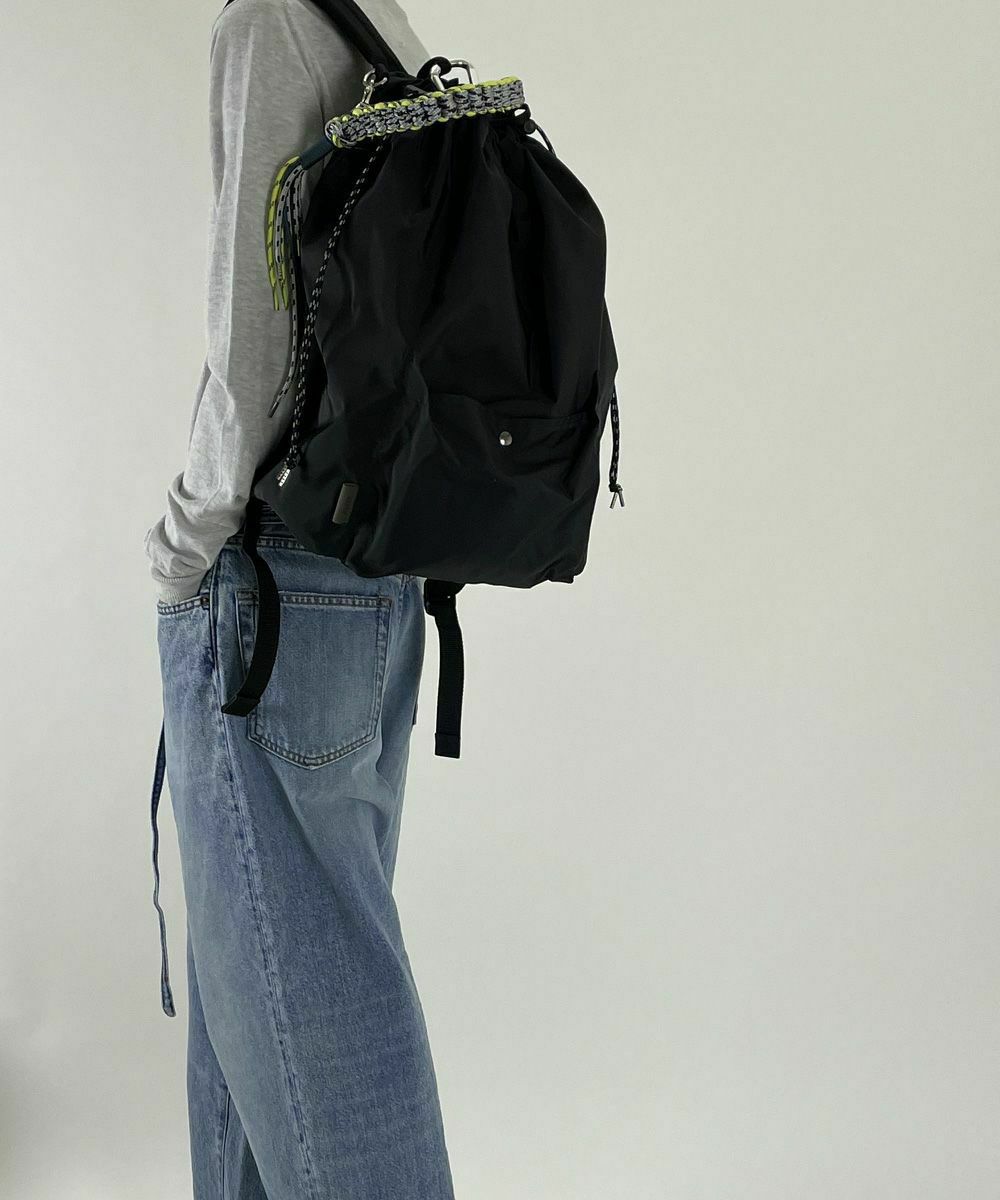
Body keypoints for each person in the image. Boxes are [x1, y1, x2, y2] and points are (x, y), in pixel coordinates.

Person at [143, 1, 455, 1196]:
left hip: (273, 586)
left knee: (317, 1018)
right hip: (369, 577)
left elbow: (256, 339)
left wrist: (185, 538)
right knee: (263, 1004)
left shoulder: (271, 17)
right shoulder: (373, 17)